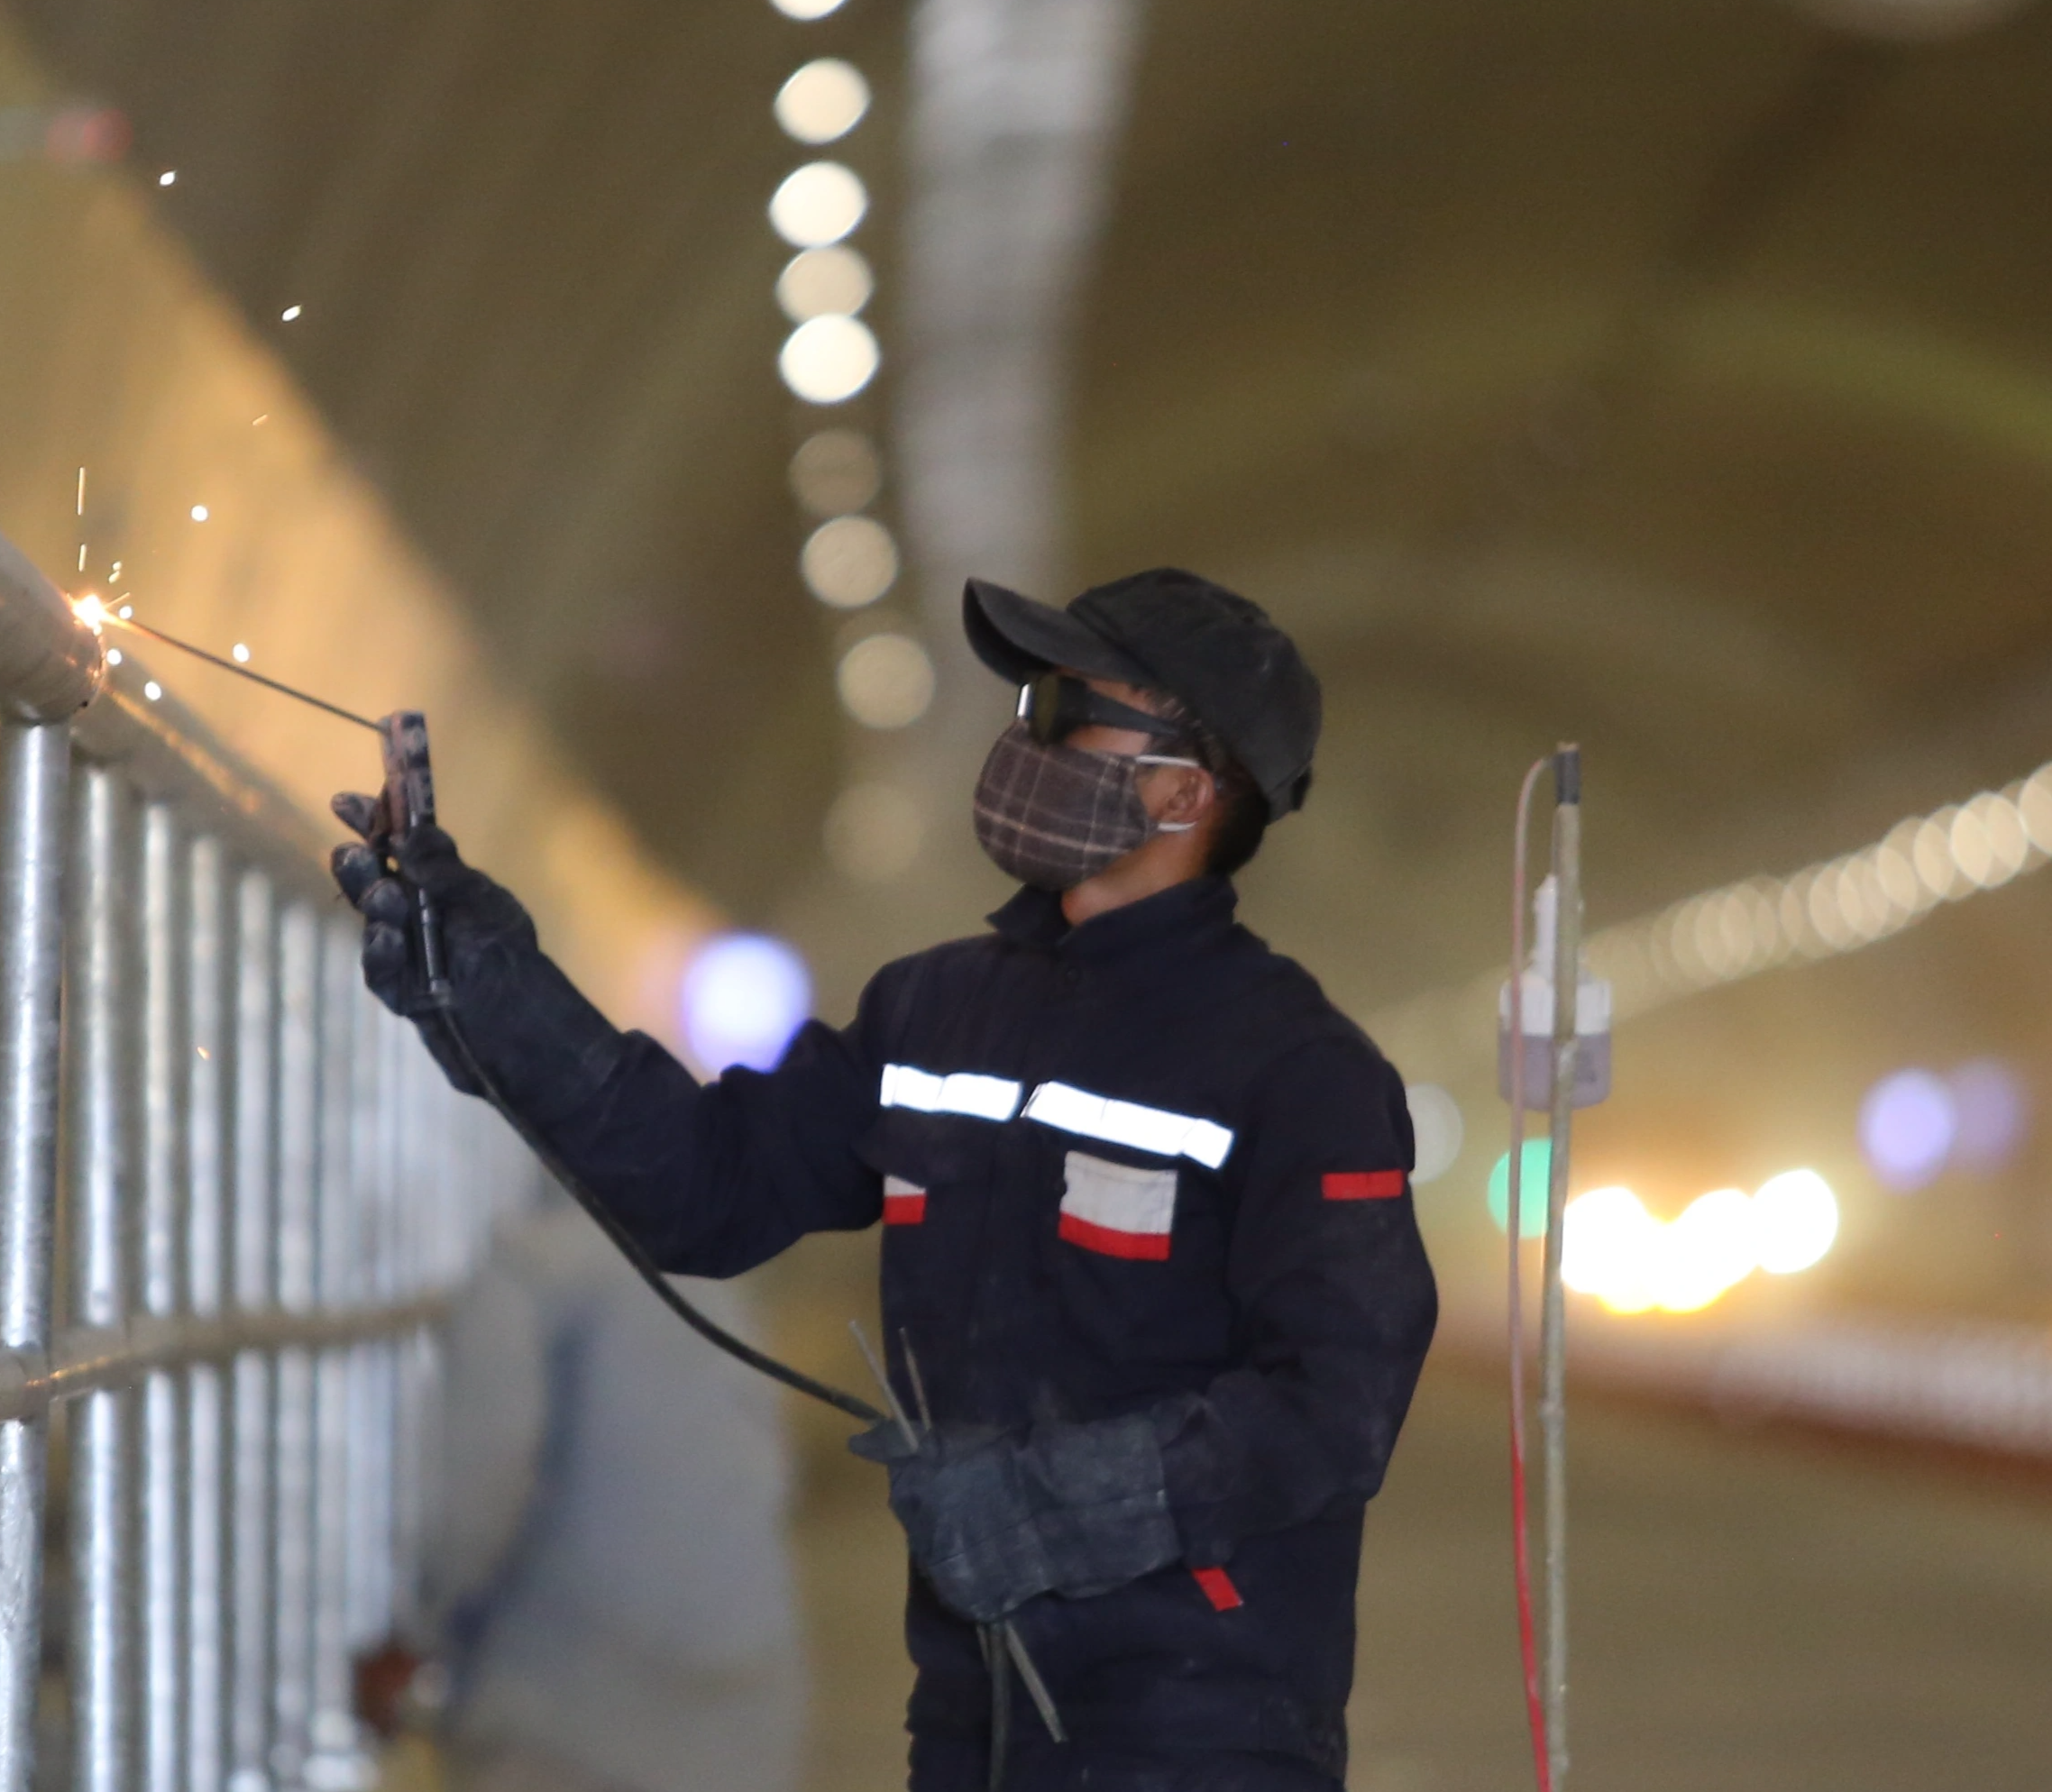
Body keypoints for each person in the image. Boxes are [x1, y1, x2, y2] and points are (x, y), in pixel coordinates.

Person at [332, 570, 1438, 1792]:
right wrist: (494, 987)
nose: (1025, 736)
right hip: (972, 1715)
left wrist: (1058, 1502)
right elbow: (708, 1185)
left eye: (1068, 707)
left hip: (1202, 1725)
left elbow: (1334, 1404)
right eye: (1029, 699)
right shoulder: (935, 1008)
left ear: (1187, 786)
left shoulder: (1297, 1069)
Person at [357, 1184, 806, 1792]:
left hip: (569, 1705)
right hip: (737, 1704)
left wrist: (415, 1636)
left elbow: (485, 1481)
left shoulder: (529, 1271)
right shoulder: (708, 1271)